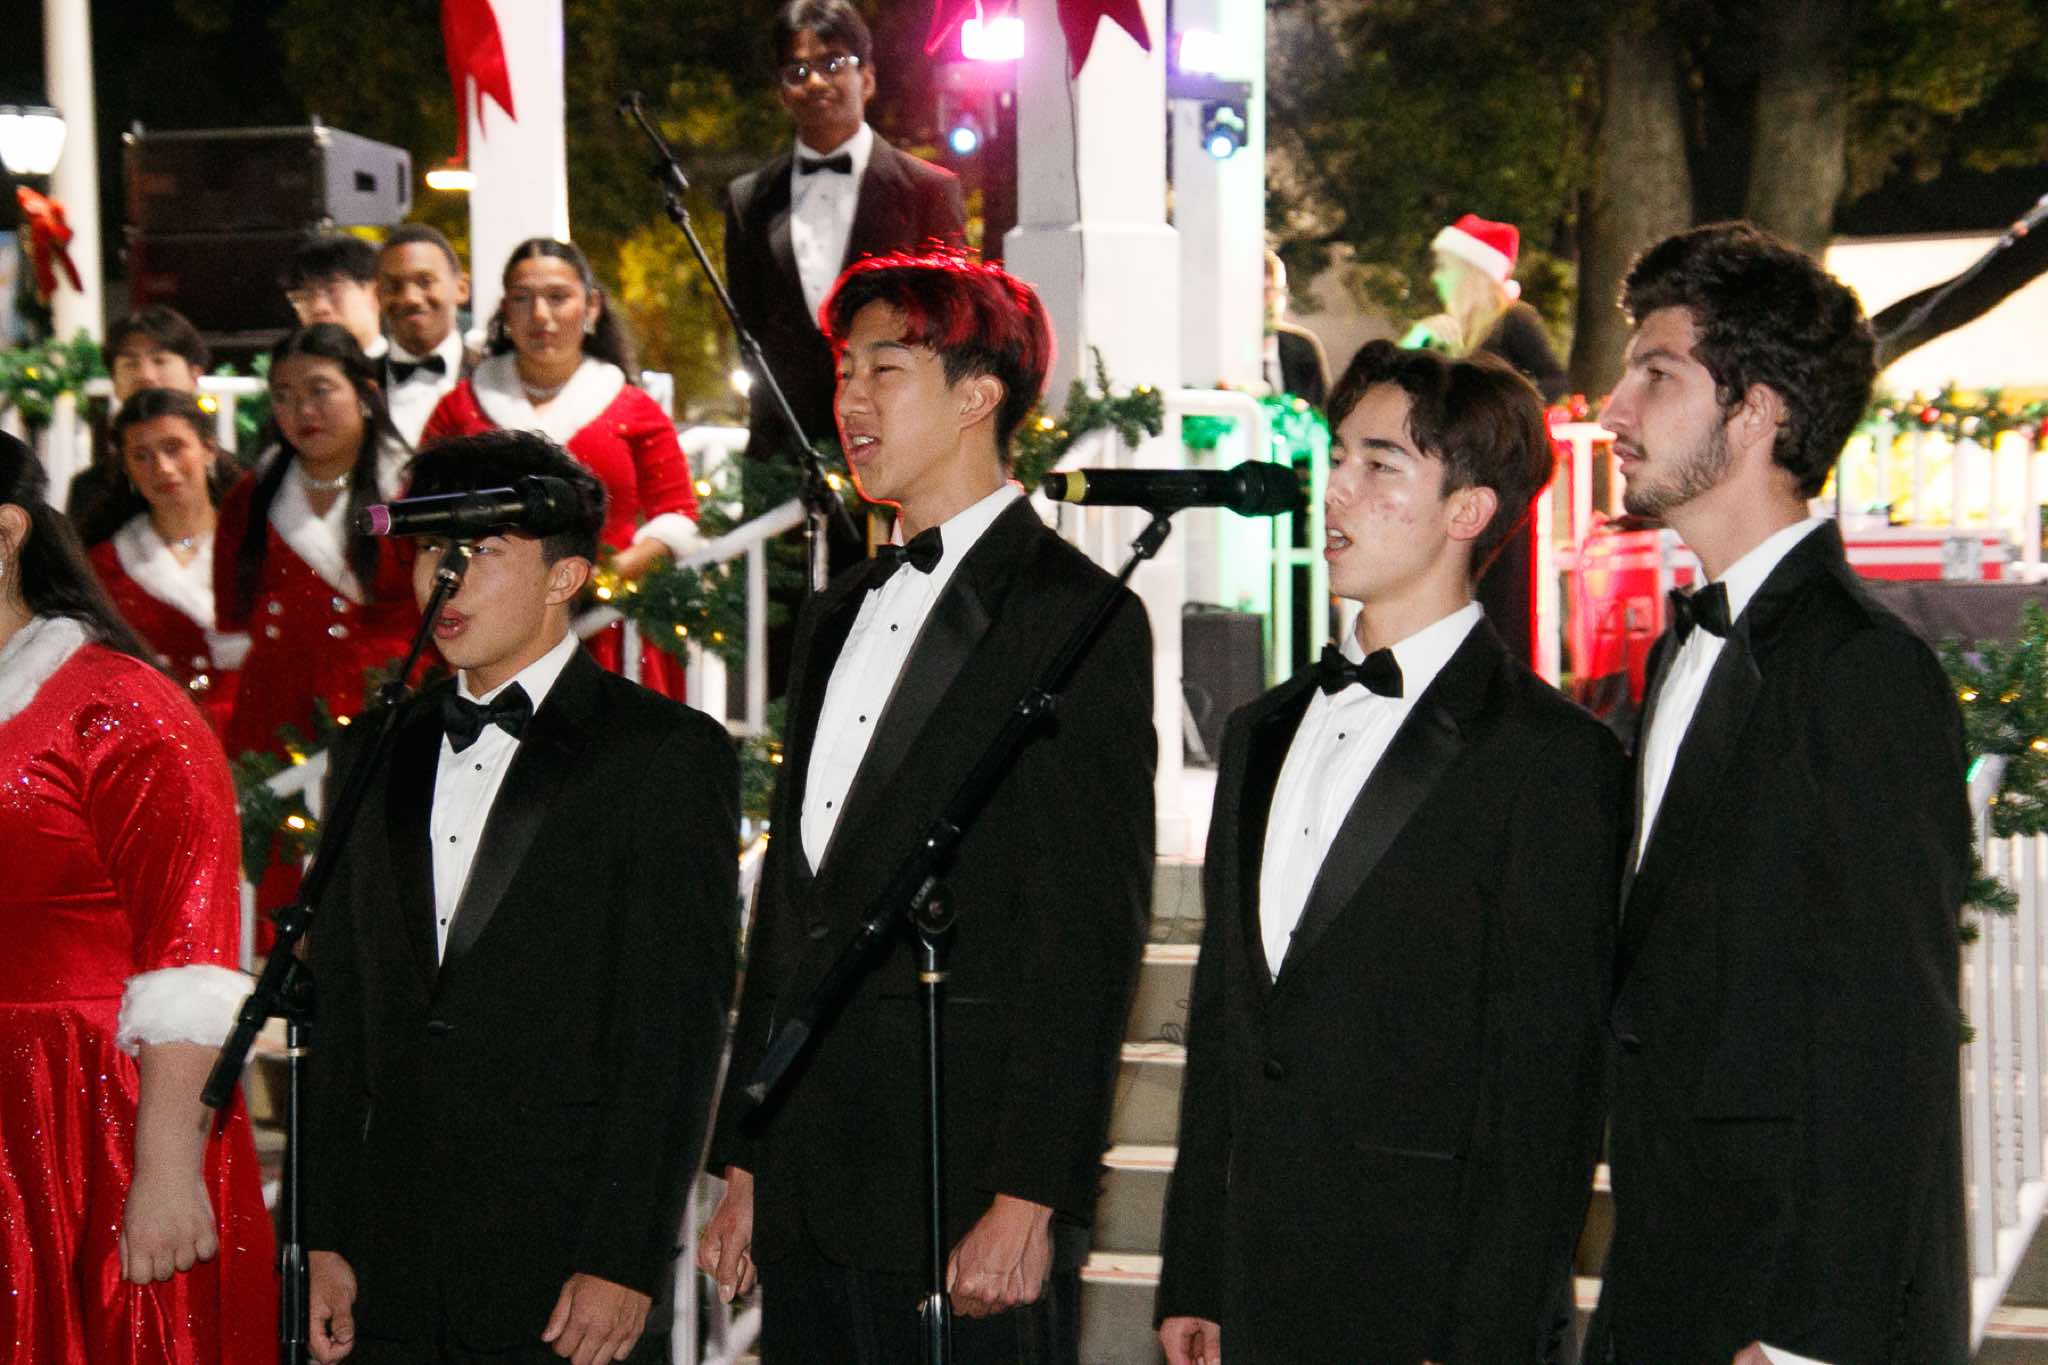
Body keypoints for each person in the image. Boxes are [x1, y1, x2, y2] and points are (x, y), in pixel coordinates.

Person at [696, 251, 1155, 1363]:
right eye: (843, 371)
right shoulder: (837, 611)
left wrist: (1030, 1195)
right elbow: (793, 904)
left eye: (884, 369)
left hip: (959, 1189)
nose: (849, 399)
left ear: (976, 394)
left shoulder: (1075, 615)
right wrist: (747, 1154)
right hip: (807, 1183)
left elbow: (1087, 930)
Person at [1155, 340, 1622, 1365]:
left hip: (1422, 1306)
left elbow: (1544, 1097)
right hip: (1249, 1294)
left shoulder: (1550, 758)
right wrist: (1194, 1271)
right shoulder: (1259, 730)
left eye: (1379, 465)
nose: (1334, 490)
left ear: (1468, 510)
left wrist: (1482, 1339)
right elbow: (1227, 1025)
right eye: (1337, 458)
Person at [1584, 222, 1970, 1364]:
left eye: (1656, 374)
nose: (1613, 408)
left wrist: (1812, 1336)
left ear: (1754, 412)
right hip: (1670, 1271)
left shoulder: (1863, 671)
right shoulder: (1681, 650)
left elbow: (1889, 1035)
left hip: (1784, 1307)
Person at [302, 428, 739, 1365]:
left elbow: (672, 1032)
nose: (445, 577)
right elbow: (337, 1007)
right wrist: (321, 1232)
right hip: (387, 1264)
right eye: (431, 548)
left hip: (564, 1263)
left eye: (483, 550)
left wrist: (622, 1255)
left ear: (564, 576)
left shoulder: (663, 753)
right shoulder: (374, 745)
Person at [0, 430, 276, 1364]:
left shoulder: (119, 704)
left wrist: (164, 1165)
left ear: (7, 534)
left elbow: (191, 954)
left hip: (90, 1112)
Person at [423, 237, 700, 697]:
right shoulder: (459, 409)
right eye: (522, 298)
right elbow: (423, 513)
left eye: (557, 297)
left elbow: (676, 516)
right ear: (504, 311)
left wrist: (599, 580)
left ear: (591, 306)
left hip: (606, 629)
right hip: (481, 628)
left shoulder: (635, 409)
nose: (540, 315)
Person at [724, 0, 967, 467]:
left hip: (902, 448)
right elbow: (748, 329)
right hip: (784, 456)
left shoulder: (928, 191)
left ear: (868, 77)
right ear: (782, 92)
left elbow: (949, 328)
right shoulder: (747, 200)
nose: (815, 81)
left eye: (833, 63)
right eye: (797, 71)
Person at [214, 323, 418, 764]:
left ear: (364, 394)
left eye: (320, 390)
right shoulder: (250, 498)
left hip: (384, 714)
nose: (303, 410)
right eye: (283, 396)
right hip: (270, 719)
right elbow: (231, 618)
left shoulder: (410, 493)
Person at [1404, 213, 1568, 668]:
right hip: (1461, 483)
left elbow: (1555, 382)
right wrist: (1417, 343)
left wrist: (1498, 410)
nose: (1436, 279)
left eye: (1444, 267)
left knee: (1502, 594)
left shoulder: (1513, 322)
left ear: (1469, 272)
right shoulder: (1452, 334)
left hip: (1502, 484)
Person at [85, 388, 248, 733]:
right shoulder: (106, 565)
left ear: (208, 449)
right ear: (126, 466)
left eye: (174, 448)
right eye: (141, 456)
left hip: (260, 735)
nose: (161, 467)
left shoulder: (260, 545)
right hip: (152, 738)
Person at [66, 304, 211, 526]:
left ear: (194, 375)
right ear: (114, 382)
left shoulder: (239, 481)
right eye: (131, 363)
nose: (146, 376)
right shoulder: (91, 490)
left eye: (160, 360)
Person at [376, 224, 475, 447]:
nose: (410, 298)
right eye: (394, 286)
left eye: (425, 282)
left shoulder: (491, 376)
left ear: (462, 289)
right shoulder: (359, 385)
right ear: (378, 295)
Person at [283, 233, 387, 359]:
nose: (318, 307)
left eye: (332, 290)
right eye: (303, 295)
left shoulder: (403, 365)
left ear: (376, 293)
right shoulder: (286, 368)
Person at [1262, 248, 1329, 407]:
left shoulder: (1303, 350)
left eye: (1275, 291)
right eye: (1262, 292)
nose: (1270, 302)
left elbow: (1320, 413)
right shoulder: (1222, 355)